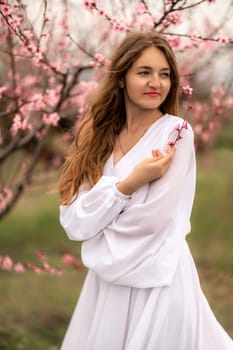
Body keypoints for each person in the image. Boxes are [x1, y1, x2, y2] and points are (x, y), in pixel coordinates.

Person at [58, 31, 233, 350]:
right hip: (107, 284)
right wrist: (130, 183)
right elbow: (74, 219)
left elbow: (152, 221)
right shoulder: (97, 134)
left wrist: (100, 218)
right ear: (122, 78)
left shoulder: (175, 134)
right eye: (144, 72)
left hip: (157, 276)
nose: (157, 82)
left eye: (165, 74)